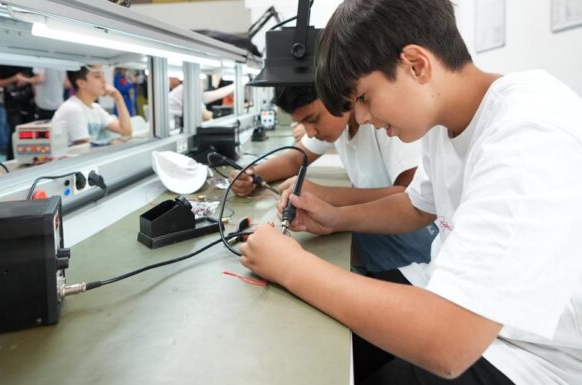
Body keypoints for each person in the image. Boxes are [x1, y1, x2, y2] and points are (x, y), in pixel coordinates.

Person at [239, 1, 582, 384]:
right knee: (309, 337)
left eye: (364, 98)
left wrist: (291, 265)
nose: (363, 118)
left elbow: (450, 343)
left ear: (416, 65)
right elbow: (415, 206)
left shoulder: (530, 134)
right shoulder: (444, 119)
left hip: (532, 353)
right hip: (448, 294)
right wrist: (334, 218)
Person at [231, 85, 434, 273]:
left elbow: (413, 198)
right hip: (388, 228)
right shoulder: (338, 120)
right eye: (302, 123)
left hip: (420, 236)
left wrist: (327, 195)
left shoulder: (384, 123)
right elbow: (295, 158)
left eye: (312, 119)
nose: (309, 132)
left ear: (338, 94)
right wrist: (252, 175)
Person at [51, 65, 132, 146]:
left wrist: (118, 97)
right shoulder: (73, 108)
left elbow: (126, 130)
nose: (104, 81)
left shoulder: (95, 108)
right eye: (97, 76)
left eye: (103, 76)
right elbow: (83, 151)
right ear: (81, 83)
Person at [0, 65, 40, 159]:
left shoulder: (31, 61)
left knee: (30, 135)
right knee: (16, 133)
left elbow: (39, 79)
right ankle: (11, 160)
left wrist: (27, 81)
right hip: (12, 105)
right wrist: (13, 79)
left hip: (30, 105)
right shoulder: (4, 63)